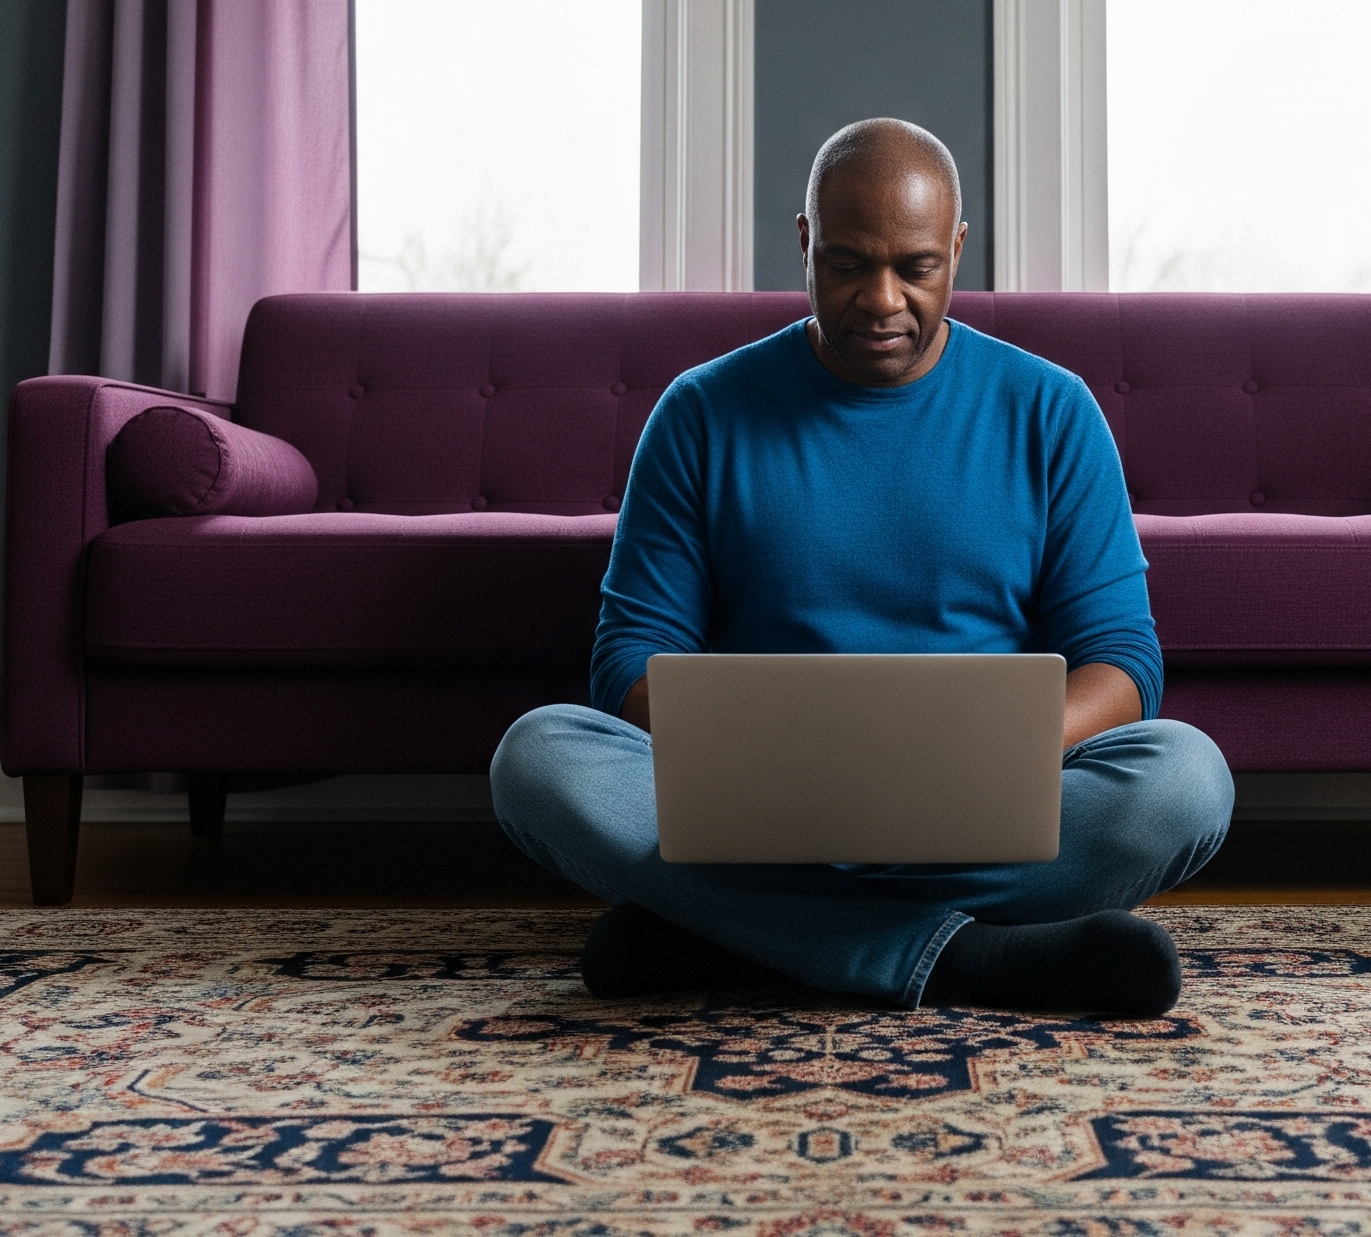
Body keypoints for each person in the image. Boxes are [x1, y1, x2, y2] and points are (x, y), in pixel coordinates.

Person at [490, 118, 1233, 1015]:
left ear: (958, 250)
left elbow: (1123, 661)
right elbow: (629, 656)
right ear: (804, 243)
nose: (882, 300)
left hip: (978, 810)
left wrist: (986, 754)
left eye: (915, 267)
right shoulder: (699, 414)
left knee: (1185, 779)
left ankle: (739, 935)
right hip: (761, 811)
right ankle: (971, 959)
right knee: (537, 759)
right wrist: (774, 758)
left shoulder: (1052, 411)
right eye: (847, 264)